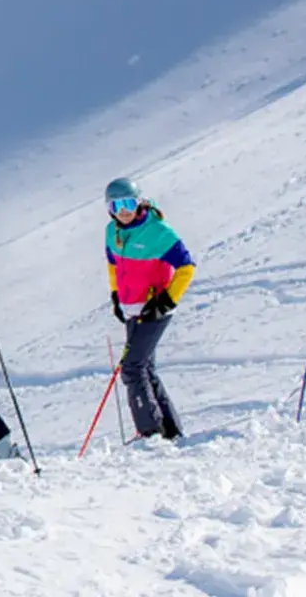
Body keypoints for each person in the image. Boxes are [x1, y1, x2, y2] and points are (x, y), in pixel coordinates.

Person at [105, 177, 195, 440]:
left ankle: (150, 432)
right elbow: (112, 263)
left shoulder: (158, 232)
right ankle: (170, 431)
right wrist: (116, 295)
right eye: (117, 205)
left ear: (139, 202)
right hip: (131, 308)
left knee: (132, 368)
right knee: (144, 368)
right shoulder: (112, 231)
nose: (124, 211)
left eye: (129, 203)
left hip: (153, 309)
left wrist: (165, 301)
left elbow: (186, 267)